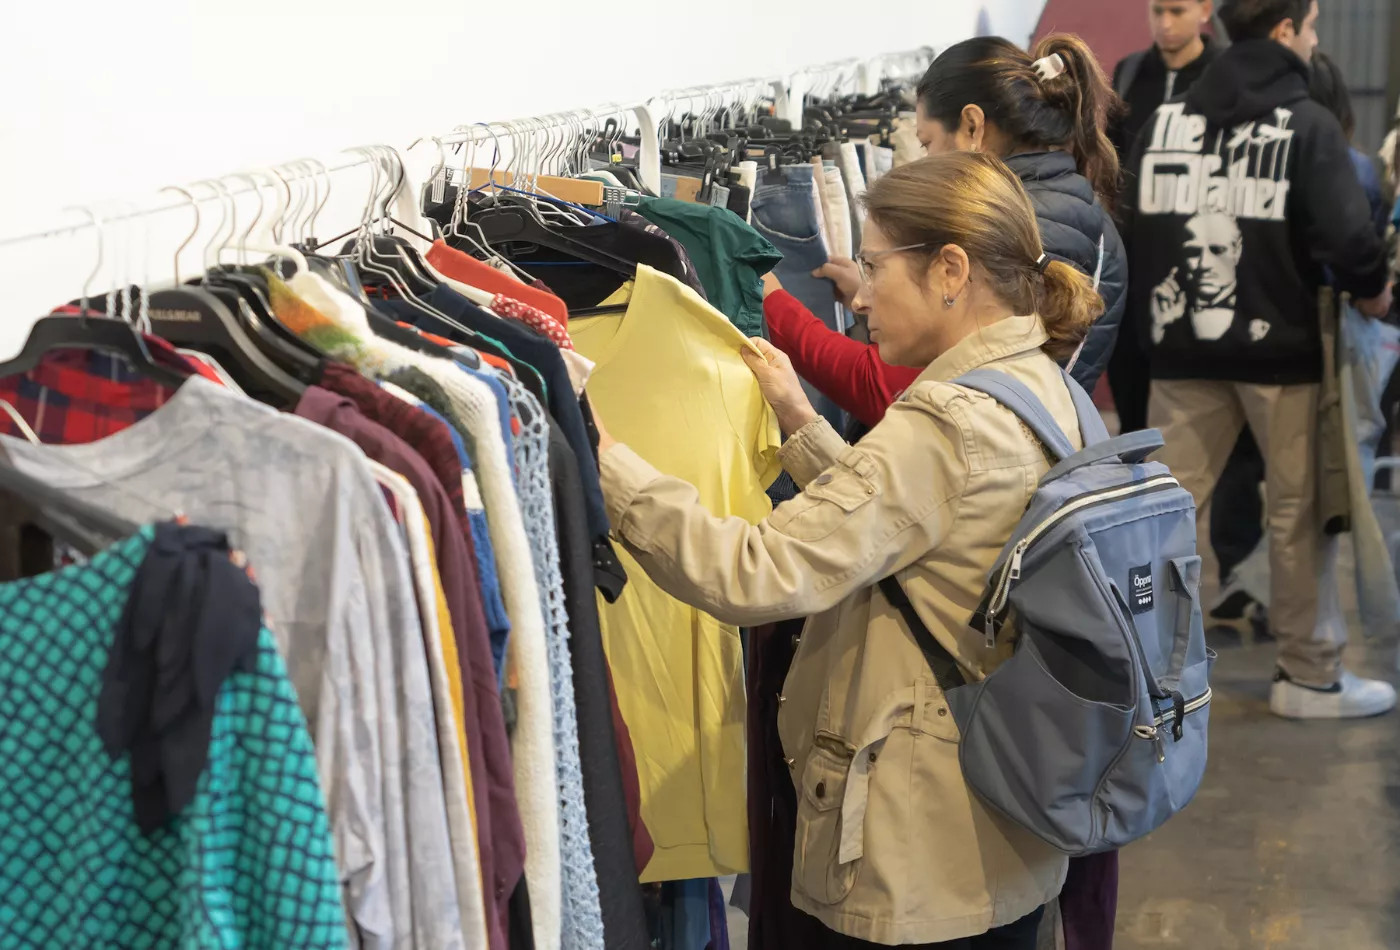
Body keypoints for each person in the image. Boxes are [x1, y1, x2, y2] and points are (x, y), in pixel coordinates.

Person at [593, 152, 1099, 949]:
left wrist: (604, 459)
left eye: (872, 265)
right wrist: (801, 422)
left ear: (951, 270)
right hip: (1005, 829)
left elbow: (753, 572)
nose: (858, 294)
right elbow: (916, 537)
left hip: (915, 858)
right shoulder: (1043, 383)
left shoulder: (946, 423)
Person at [1121, 0, 1396, 719]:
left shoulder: (1163, 123)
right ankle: (1307, 675)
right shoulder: (1305, 125)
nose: (1312, 40)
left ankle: (1141, 674)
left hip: (1176, 351)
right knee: (1298, 516)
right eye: (1309, 27)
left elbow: (1133, 227)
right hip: (1284, 355)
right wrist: (1373, 290)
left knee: (1161, 517)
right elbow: (1348, 237)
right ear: (1284, 31)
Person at [761, 34, 1127, 432]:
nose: (925, 162)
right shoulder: (1072, 208)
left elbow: (887, 390)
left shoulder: (1004, 226)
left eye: (927, 143)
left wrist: (776, 305)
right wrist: (880, 291)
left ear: (972, 126)